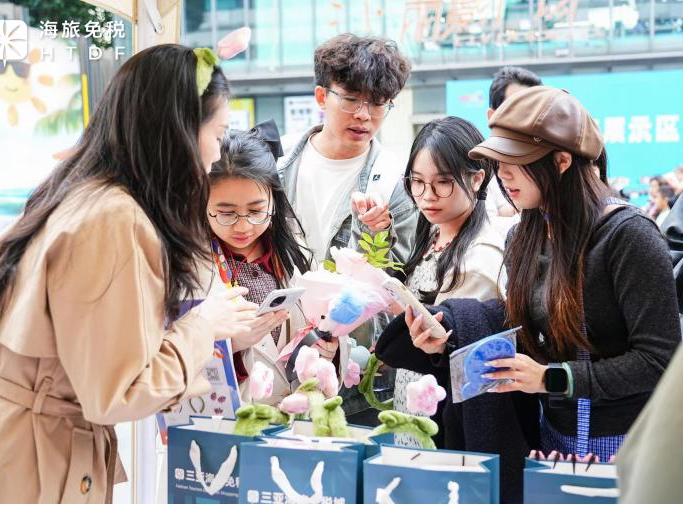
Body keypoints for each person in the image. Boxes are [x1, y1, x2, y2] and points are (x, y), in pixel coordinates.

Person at [376, 86, 681, 502]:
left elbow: (660, 360)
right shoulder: (524, 235)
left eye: (515, 162)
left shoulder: (628, 236)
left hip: (628, 445)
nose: (503, 174)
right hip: (550, 440)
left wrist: (552, 377)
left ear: (561, 161)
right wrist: (448, 336)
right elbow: (523, 331)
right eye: (499, 161)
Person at [0, 45, 250, 503]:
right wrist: (205, 326)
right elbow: (120, 392)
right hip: (38, 460)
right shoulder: (115, 218)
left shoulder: (82, 192)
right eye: (218, 133)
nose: (217, 153)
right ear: (178, 132)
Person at [205, 123, 349, 404]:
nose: (244, 226)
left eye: (257, 210)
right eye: (226, 213)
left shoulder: (295, 251)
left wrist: (330, 348)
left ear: (274, 199)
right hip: (239, 420)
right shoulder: (190, 268)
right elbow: (170, 360)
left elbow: (321, 321)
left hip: (301, 414)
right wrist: (231, 345)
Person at [388, 117, 505, 448]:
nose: (427, 195)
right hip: (415, 402)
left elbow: (457, 351)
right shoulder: (434, 233)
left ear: (477, 178)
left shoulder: (479, 257)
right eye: (417, 182)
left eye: (442, 182)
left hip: (446, 417)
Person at [279, 34, 416, 266]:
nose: (363, 115)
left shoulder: (396, 182)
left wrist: (376, 233)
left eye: (377, 103)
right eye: (351, 100)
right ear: (322, 97)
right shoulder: (276, 160)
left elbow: (396, 273)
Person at [485, 66, 543, 219]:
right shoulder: (480, 175)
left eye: (533, 110)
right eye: (515, 109)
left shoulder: (553, 162)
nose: (526, 119)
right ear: (492, 117)